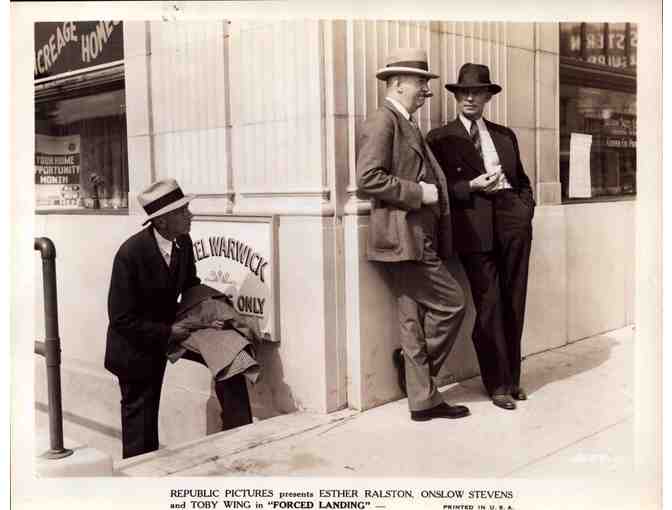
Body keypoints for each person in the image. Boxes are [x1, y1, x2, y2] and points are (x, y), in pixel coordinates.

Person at [356, 48, 469, 422]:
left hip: (414, 239)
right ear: (399, 83)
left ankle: (421, 399)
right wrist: (420, 192)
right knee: (452, 303)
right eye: (421, 82)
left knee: (411, 319)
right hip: (405, 240)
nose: (426, 91)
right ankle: (415, 373)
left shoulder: (405, 122)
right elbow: (367, 178)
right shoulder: (383, 121)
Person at [104, 178, 252, 458]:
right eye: (183, 211)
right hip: (136, 345)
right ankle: (141, 481)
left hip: (176, 328)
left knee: (231, 354)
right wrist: (172, 331)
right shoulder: (130, 254)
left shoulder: (182, 241)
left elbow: (191, 286)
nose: (191, 215)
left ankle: (239, 437)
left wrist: (212, 313)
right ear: (161, 222)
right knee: (141, 428)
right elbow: (121, 320)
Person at [427, 63, 535, 411]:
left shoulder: (505, 135)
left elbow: (522, 180)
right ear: (457, 97)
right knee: (489, 305)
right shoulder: (440, 138)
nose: (470, 98)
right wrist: (469, 186)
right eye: (463, 92)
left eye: (476, 92)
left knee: (514, 301)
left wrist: (524, 209)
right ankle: (498, 383)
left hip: (512, 221)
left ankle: (513, 378)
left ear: (488, 96)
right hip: (474, 227)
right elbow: (436, 189)